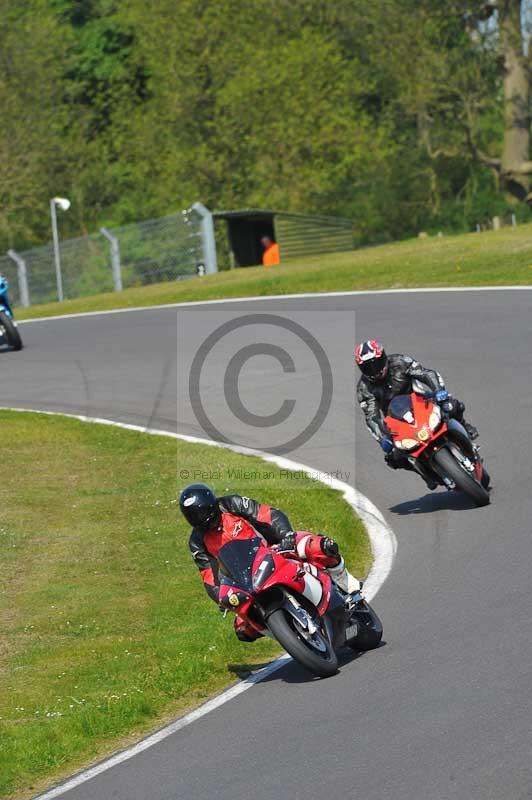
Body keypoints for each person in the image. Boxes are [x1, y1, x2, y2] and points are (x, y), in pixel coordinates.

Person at [180, 483, 360, 642]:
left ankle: (346, 584)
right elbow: (209, 575)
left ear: (211, 504)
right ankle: (296, 637)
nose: (198, 518)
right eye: (192, 516)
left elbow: (266, 514)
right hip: (244, 580)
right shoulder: (197, 541)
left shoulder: (231, 504)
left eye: (200, 512)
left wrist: (286, 535)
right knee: (243, 629)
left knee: (318, 546)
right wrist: (221, 597)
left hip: (274, 550)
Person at [355, 339, 478, 488]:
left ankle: (465, 427)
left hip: (422, 401)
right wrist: (382, 440)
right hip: (396, 420)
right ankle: (423, 472)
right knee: (394, 458)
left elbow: (427, 374)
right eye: (367, 368)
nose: (373, 370)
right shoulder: (364, 388)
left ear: (383, 357)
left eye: (375, 364)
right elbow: (371, 418)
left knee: (451, 405)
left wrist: (439, 391)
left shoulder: (400, 362)